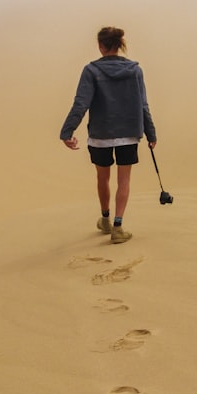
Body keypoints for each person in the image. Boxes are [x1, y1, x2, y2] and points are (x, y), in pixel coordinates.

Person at [60, 27, 158, 244]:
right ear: (119, 44)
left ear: (101, 46)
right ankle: (118, 226)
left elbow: (81, 103)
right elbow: (143, 104)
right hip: (129, 134)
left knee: (102, 178)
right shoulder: (135, 70)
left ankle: (105, 219)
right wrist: (150, 132)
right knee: (124, 181)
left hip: (100, 135)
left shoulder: (91, 71)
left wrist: (67, 132)